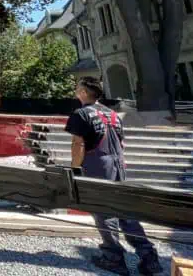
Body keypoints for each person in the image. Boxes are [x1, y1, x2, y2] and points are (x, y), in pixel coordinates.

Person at [66, 76, 163, 276]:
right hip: (118, 164)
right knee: (125, 212)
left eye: (78, 88)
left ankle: (114, 258)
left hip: (98, 166)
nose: (76, 91)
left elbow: (79, 143)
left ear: (84, 93)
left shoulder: (81, 113)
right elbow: (121, 142)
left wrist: (74, 168)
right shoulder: (112, 114)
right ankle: (149, 258)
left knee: (104, 211)